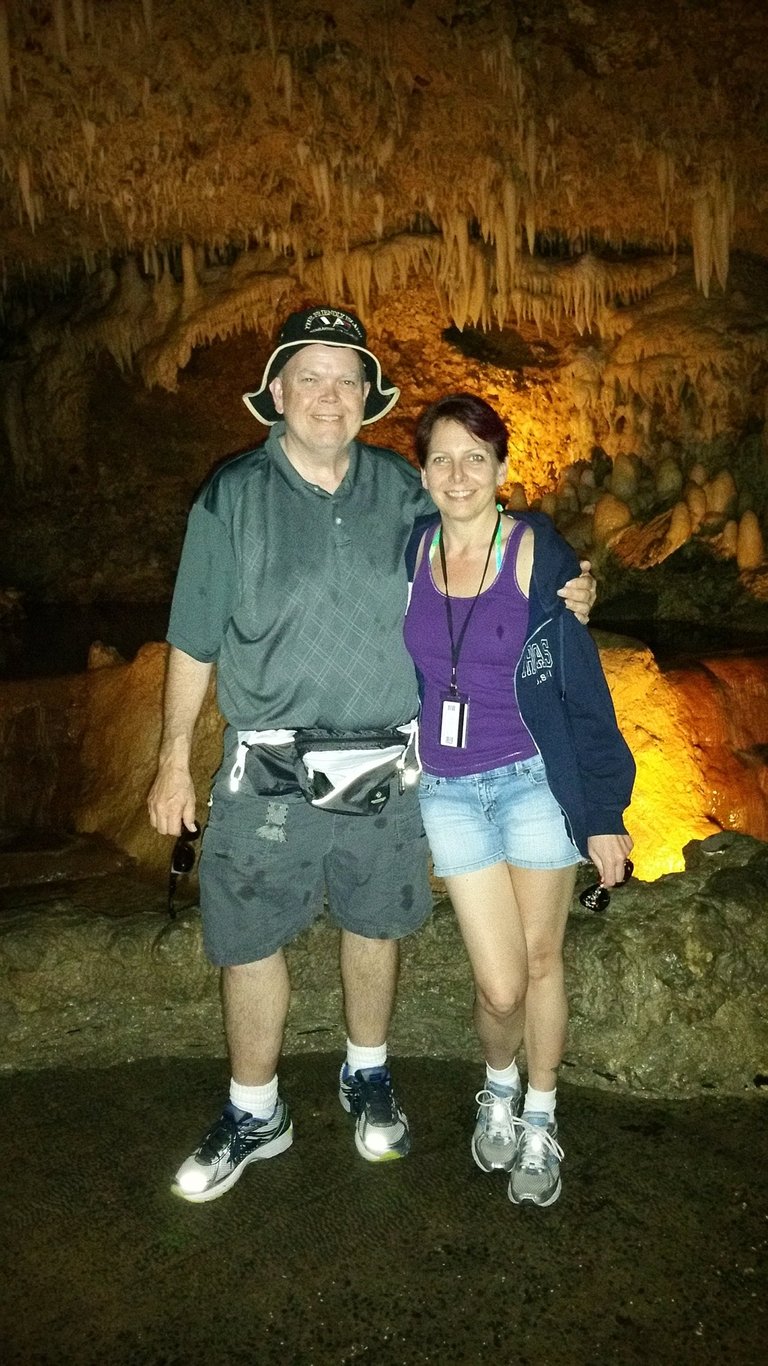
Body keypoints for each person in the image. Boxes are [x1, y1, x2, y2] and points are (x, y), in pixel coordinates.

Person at [147, 307, 597, 1204]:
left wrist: (569, 581)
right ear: (276, 394)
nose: (326, 394)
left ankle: (367, 1072)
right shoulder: (230, 496)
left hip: (389, 767)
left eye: (344, 379)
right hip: (266, 765)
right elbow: (193, 636)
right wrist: (169, 760)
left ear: (367, 399)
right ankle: (254, 1108)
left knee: (375, 924)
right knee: (247, 941)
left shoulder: (403, 488)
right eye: (308, 377)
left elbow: (488, 533)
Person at [403, 393, 635, 1208]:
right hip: (451, 790)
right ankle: (495, 1083)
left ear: (502, 469)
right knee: (499, 984)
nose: (458, 473)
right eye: (442, 457)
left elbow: (583, 688)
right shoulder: (411, 549)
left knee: (542, 962)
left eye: (476, 457)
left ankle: (537, 1114)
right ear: (422, 471)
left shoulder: (536, 550)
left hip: (535, 779)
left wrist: (604, 811)